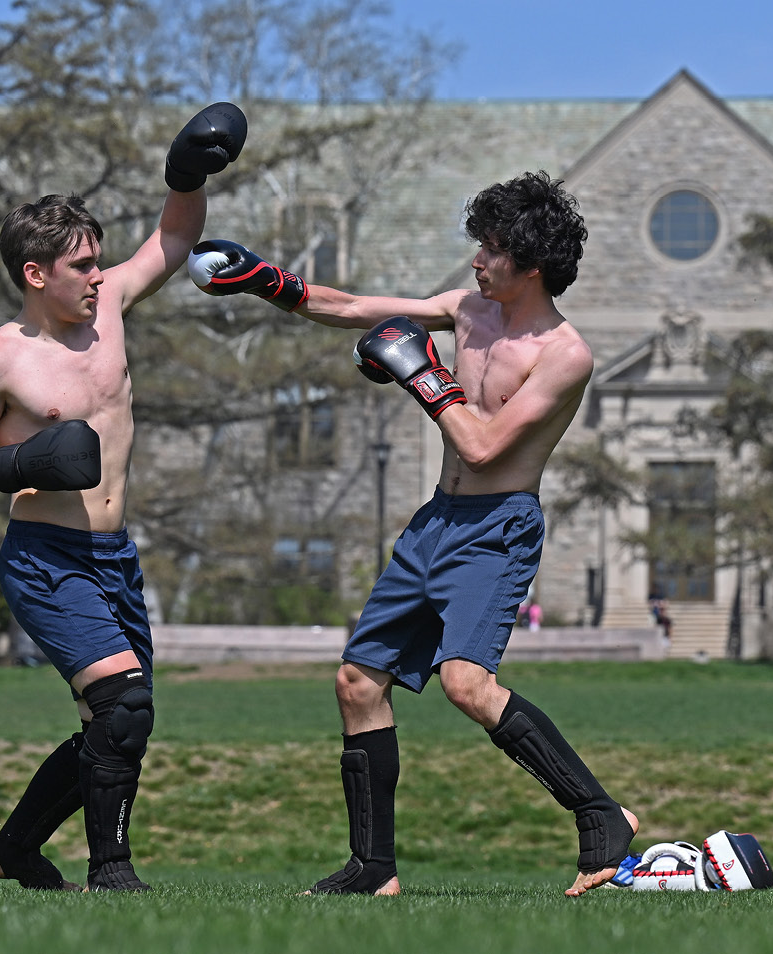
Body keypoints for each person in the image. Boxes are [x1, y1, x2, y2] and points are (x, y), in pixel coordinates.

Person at [187, 170, 638, 897]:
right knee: (358, 681)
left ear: (529, 264)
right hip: (436, 520)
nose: (475, 261)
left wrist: (422, 376)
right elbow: (358, 306)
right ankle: (373, 869)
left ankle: (602, 817)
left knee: (466, 684)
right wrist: (269, 281)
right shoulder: (467, 310)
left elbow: (486, 445)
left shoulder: (564, 354)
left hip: (497, 529)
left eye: (489, 249)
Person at [0, 102, 247, 892]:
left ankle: (12, 851)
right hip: (46, 557)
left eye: (100, 260)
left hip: (116, 555)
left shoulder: (109, 312)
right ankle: (111, 873)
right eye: (82, 266)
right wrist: (23, 460)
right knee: (123, 705)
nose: (99, 276)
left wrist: (187, 173)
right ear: (37, 275)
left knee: (119, 725)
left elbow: (173, 239)